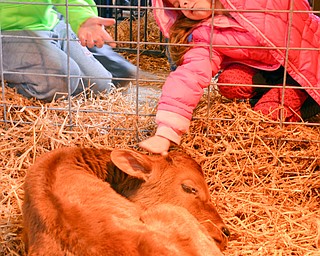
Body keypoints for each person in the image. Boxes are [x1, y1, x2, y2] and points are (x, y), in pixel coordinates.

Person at [139, 0, 320, 155]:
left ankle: (306, 96)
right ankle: (277, 93)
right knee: (230, 82)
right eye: (177, 5)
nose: (184, 4)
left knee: (270, 113)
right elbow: (190, 75)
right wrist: (166, 131)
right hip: (267, 69)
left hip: (305, 63)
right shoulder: (204, 33)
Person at [0, 0, 137, 101]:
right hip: (10, 28)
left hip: (51, 22)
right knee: (63, 81)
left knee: (100, 84)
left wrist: (83, 18)